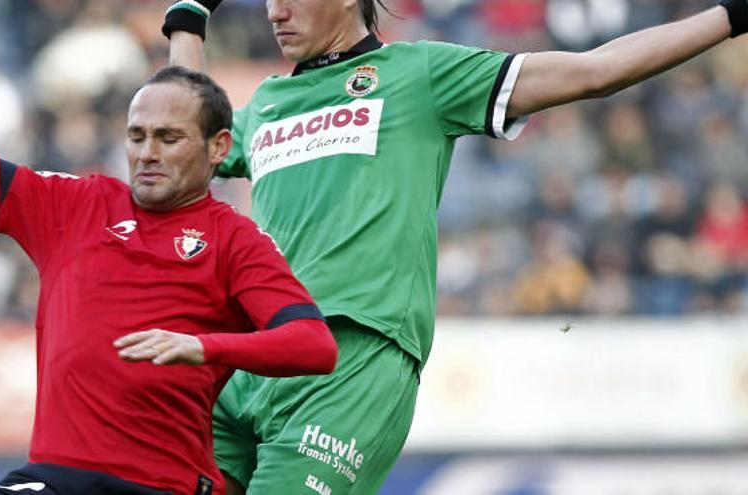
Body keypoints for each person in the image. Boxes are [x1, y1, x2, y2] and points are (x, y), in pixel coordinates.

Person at [161, 0, 748, 493]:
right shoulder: (265, 102)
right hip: (246, 358)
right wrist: (189, 17)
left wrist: (731, 14)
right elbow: (182, 129)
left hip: (353, 360)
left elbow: (597, 70)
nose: (275, 11)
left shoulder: (420, 74)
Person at [0, 1, 338, 494]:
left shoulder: (234, 239)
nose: (147, 153)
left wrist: (203, 346)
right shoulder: (75, 204)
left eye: (169, 137)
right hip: (55, 479)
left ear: (219, 147)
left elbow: (313, 344)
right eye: (137, 136)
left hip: (159, 485)